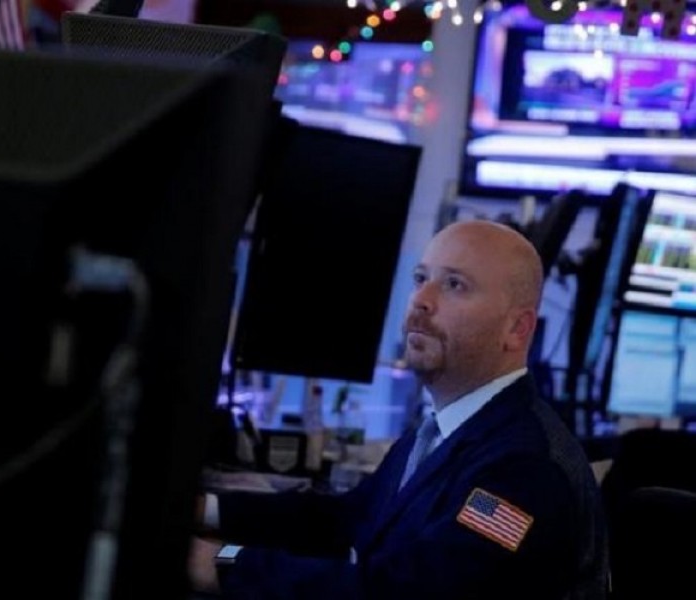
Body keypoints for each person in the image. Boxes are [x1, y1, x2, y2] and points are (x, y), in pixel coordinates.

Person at [188, 220, 608, 599]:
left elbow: (404, 593)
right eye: (420, 278)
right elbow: (346, 518)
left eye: (454, 285)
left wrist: (220, 563)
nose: (421, 300)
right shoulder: (446, 429)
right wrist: (206, 509)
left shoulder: (523, 469)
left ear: (517, 329)